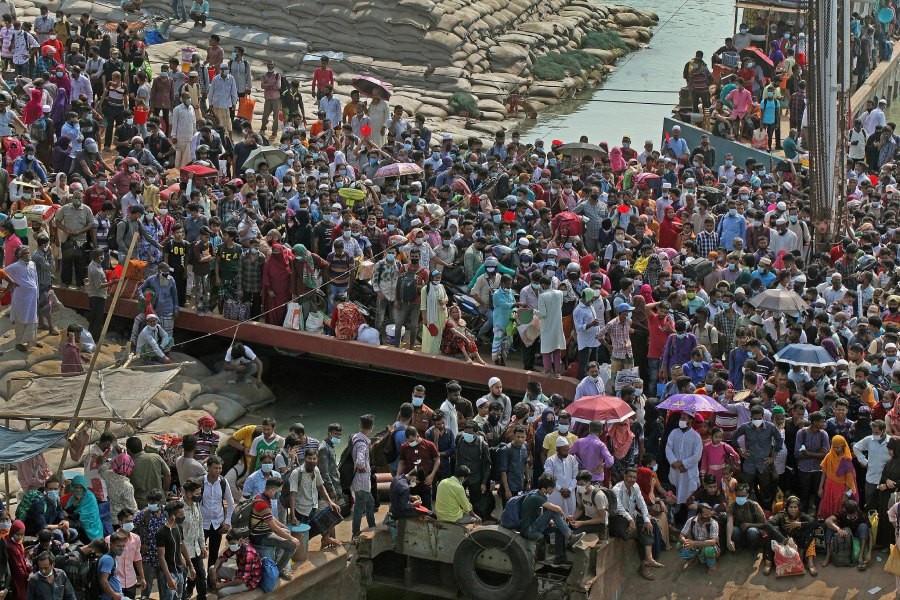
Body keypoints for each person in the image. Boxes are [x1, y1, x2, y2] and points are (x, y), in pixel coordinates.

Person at [518, 473, 584, 567]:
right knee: (553, 511)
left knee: (558, 529)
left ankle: (560, 558)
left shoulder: (542, 496)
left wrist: (552, 522)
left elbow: (539, 515)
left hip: (535, 525)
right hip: (528, 530)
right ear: (543, 489)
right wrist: (563, 515)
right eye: (551, 488)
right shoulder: (535, 497)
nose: (552, 490)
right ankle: (570, 537)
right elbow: (556, 509)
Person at [610, 468, 665, 580]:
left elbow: (642, 503)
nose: (632, 479)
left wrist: (646, 519)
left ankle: (648, 559)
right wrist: (630, 520)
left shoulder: (636, 487)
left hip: (632, 515)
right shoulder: (616, 489)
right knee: (637, 533)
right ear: (624, 476)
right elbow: (619, 508)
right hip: (619, 518)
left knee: (648, 525)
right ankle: (644, 564)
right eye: (630, 476)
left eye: (634, 477)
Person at [287, 448, 341, 548]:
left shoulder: (316, 470)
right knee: (302, 538)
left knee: (331, 513)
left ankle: (325, 538)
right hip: (300, 510)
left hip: (313, 506)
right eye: (309, 458)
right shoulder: (296, 473)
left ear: (317, 459)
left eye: (314, 458)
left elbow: (321, 487)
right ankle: (300, 555)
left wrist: (330, 502)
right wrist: (293, 516)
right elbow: (292, 494)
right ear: (304, 458)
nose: (311, 461)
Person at [248, 476, 298, 579]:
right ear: (272, 490)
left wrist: (284, 526)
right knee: (291, 545)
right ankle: (279, 570)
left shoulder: (261, 497)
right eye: (278, 491)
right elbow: (274, 528)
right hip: (260, 537)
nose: (279, 494)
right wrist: (292, 539)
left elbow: (272, 518)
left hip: (264, 532)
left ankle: (277, 562)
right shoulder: (262, 504)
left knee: (286, 531)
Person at [762, 495, 818, 576]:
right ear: (786, 508)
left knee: (810, 532)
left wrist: (799, 524)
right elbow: (767, 525)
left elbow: (815, 523)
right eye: (790, 507)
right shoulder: (780, 515)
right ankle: (768, 563)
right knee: (772, 531)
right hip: (783, 542)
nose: (793, 509)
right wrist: (784, 540)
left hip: (798, 543)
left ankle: (810, 563)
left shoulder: (802, 516)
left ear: (799, 508)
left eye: (795, 507)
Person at [1, 246, 40, 352]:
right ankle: (19, 343)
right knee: (21, 319)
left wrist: (37, 295)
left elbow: (36, 279)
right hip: (21, 298)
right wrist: (6, 289)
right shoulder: (14, 266)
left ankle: (31, 341)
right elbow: (3, 274)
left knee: (32, 318)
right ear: (19, 255)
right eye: (25, 253)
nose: (28, 255)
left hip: (32, 298)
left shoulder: (32, 264)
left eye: (28, 253)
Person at [155, 500, 193, 600]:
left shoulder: (179, 527)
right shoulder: (161, 532)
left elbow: (182, 547)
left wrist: (191, 566)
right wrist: (168, 578)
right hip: (169, 573)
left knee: (179, 597)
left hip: (180, 571)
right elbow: (161, 557)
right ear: (173, 516)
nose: (183, 517)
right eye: (181, 515)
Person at [822, 497, 871, 569]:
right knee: (830, 526)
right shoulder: (842, 512)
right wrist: (838, 529)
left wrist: (869, 552)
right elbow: (827, 521)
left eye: (853, 515)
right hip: (843, 534)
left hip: (856, 535)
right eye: (849, 515)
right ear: (845, 511)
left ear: (857, 511)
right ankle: (828, 555)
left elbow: (870, 534)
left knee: (864, 527)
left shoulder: (862, 515)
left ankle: (860, 556)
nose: (852, 517)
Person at [817, 435, 858, 519]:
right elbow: (824, 472)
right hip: (828, 486)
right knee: (826, 505)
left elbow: (849, 480)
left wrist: (845, 494)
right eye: (833, 447)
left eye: (837, 448)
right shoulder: (829, 456)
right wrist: (820, 487)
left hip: (840, 489)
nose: (835, 449)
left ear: (843, 447)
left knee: (838, 507)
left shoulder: (846, 461)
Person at [208, 530, 261, 596]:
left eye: (233, 543)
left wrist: (223, 585)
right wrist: (214, 570)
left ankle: (220, 590)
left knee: (221, 592)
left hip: (248, 582)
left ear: (241, 540)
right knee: (211, 568)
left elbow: (242, 580)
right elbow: (222, 557)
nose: (231, 546)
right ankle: (216, 588)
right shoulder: (237, 546)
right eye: (230, 544)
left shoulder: (248, 554)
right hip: (239, 574)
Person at [679, 502, 720, 574]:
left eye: (710, 514)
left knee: (709, 550)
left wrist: (693, 543)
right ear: (699, 514)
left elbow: (713, 542)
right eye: (706, 515)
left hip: (709, 547)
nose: (709, 516)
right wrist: (684, 541)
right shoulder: (691, 520)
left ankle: (712, 565)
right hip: (695, 547)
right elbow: (682, 534)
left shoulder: (713, 523)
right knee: (679, 545)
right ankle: (694, 558)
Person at [725, 482, 767, 553]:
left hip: (754, 532)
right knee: (734, 530)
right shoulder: (731, 507)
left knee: (752, 531)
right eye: (738, 496)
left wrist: (749, 525)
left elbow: (764, 524)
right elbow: (729, 523)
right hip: (739, 531)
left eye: (743, 496)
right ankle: (738, 548)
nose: (740, 498)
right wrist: (728, 540)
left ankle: (753, 549)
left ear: (747, 495)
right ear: (735, 495)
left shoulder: (754, 505)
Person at [571, 470, 609, 536]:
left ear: (588, 483)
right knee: (567, 528)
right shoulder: (579, 492)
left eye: (582, 484)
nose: (579, 486)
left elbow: (601, 518)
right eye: (578, 484)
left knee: (575, 534)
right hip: (587, 517)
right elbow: (580, 509)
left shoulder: (598, 496)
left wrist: (581, 523)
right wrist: (573, 518)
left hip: (599, 523)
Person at [97, 532, 126, 600]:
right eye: (118, 546)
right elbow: (103, 581)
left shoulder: (112, 557)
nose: (121, 548)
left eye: (123, 546)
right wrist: (114, 594)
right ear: (111, 545)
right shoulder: (108, 559)